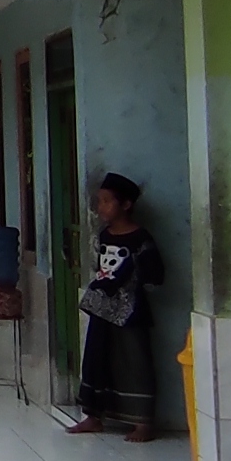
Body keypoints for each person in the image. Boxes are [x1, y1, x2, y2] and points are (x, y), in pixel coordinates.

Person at [68, 172, 165, 441]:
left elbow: (155, 275)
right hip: (102, 308)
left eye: (107, 201)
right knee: (96, 358)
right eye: (99, 201)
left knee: (135, 362)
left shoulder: (140, 239)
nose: (101, 208)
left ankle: (143, 421)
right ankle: (93, 415)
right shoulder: (103, 236)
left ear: (126, 205)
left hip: (129, 310)